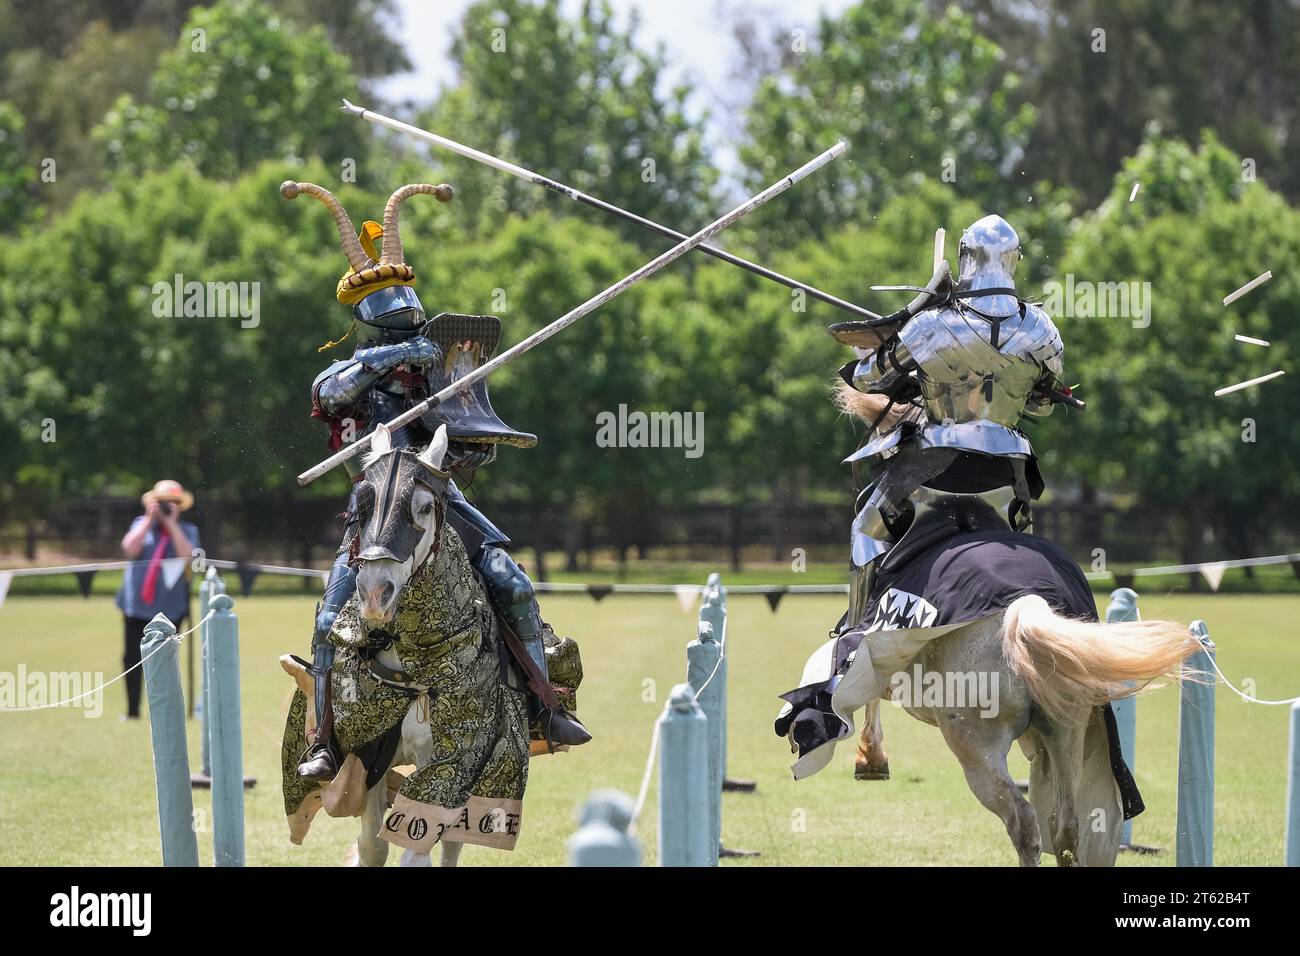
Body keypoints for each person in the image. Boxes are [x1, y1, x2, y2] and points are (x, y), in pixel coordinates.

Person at [281, 179, 590, 782]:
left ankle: (542, 709)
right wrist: (385, 362)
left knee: (512, 581)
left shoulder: (442, 368)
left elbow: (472, 440)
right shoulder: (353, 367)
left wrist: (470, 419)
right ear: (369, 318)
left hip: (437, 498)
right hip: (376, 509)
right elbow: (327, 392)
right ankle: (322, 739)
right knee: (328, 620)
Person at [116, 479, 200, 719]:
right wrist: (148, 520)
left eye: (173, 503)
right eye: (162, 502)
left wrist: (171, 524)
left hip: (171, 609)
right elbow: (129, 548)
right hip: (136, 607)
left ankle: (165, 712)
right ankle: (132, 710)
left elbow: (188, 555)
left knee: (165, 661)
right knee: (131, 659)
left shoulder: (188, 529)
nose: (167, 506)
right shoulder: (140, 524)